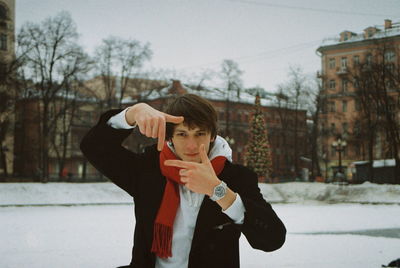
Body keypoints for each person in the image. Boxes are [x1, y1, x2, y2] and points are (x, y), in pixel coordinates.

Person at [80, 93, 286, 268]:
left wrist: (219, 191)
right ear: (169, 137)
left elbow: (273, 239)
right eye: (182, 134)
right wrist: (132, 114)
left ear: (212, 135)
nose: (191, 145)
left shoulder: (237, 178)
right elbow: (93, 146)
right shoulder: (148, 169)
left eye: (200, 134)